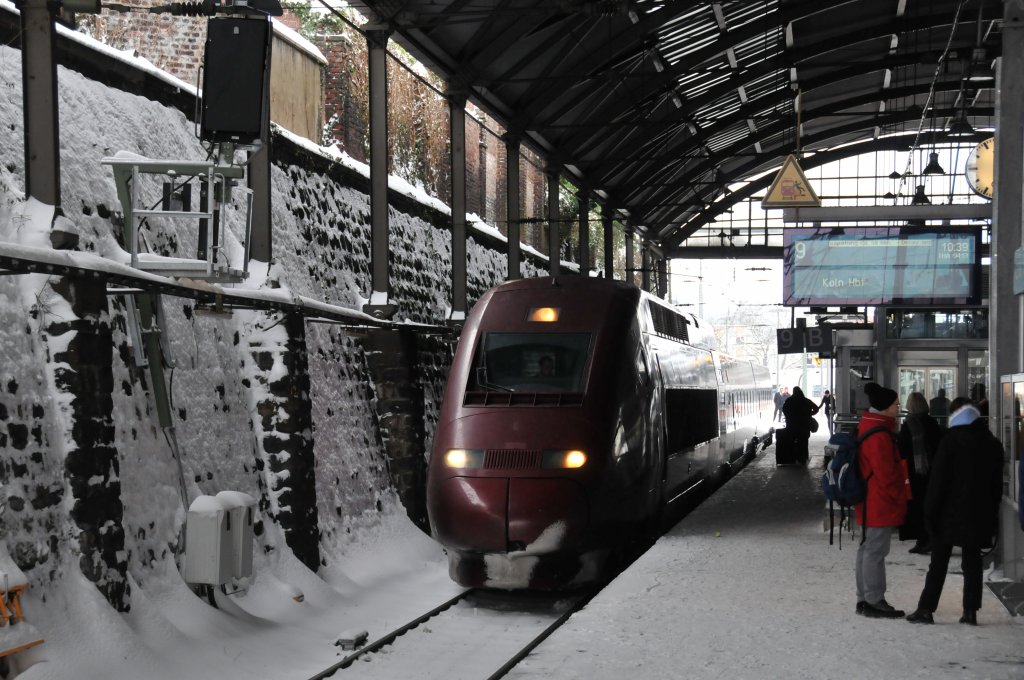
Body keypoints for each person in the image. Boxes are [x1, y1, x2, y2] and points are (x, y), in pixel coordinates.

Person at [905, 398, 1003, 625]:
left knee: (938, 562)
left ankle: (926, 609)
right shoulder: (992, 443)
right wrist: (992, 511)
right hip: (978, 512)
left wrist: (929, 513)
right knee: (973, 562)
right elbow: (995, 485)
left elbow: (938, 482)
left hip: (948, 513)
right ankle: (970, 611)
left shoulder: (950, 441)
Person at [854, 382, 911, 619]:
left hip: (869, 501)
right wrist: (901, 497)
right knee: (875, 551)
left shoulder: (870, 427)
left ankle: (864, 598)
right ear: (886, 407)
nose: (898, 407)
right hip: (878, 502)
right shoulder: (879, 436)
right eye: (896, 404)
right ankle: (874, 600)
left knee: (866, 550)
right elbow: (886, 475)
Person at [896, 392, 942, 554]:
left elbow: (902, 449)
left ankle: (922, 539)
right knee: (930, 506)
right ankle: (930, 538)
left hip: (914, 473)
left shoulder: (908, 425)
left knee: (916, 507)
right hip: (932, 472)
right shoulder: (932, 423)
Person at [781, 386, 819, 464]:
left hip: (792, 426)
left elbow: (784, 410)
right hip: (805, 426)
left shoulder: (789, 401)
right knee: (804, 441)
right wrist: (810, 414)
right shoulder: (806, 401)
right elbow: (816, 408)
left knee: (793, 441)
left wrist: (789, 417)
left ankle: (795, 457)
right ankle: (804, 456)